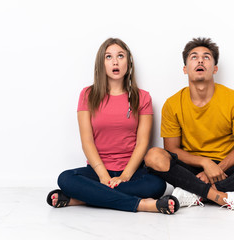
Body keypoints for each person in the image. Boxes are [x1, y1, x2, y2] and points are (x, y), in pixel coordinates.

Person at [144, 37, 234, 212]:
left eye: (207, 57)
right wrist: (204, 162)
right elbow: (172, 150)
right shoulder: (172, 104)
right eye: (194, 57)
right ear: (185, 69)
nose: (200, 60)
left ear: (215, 68)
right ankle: (223, 198)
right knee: (153, 156)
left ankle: (195, 192)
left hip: (227, 167)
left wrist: (217, 167)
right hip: (190, 168)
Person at [46, 38, 179, 214]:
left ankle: (82, 198)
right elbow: (87, 141)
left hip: (132, 171)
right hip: (97, 170)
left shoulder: (143, 97)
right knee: (65, 179)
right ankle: (142, 205)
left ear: (129, 62)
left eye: (120, 56)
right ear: (101, 63)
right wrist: (103, 175)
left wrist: (125, 176)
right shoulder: (88, 94)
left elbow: (142, 143)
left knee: (157, 185)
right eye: (108, 57)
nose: (115, 61)